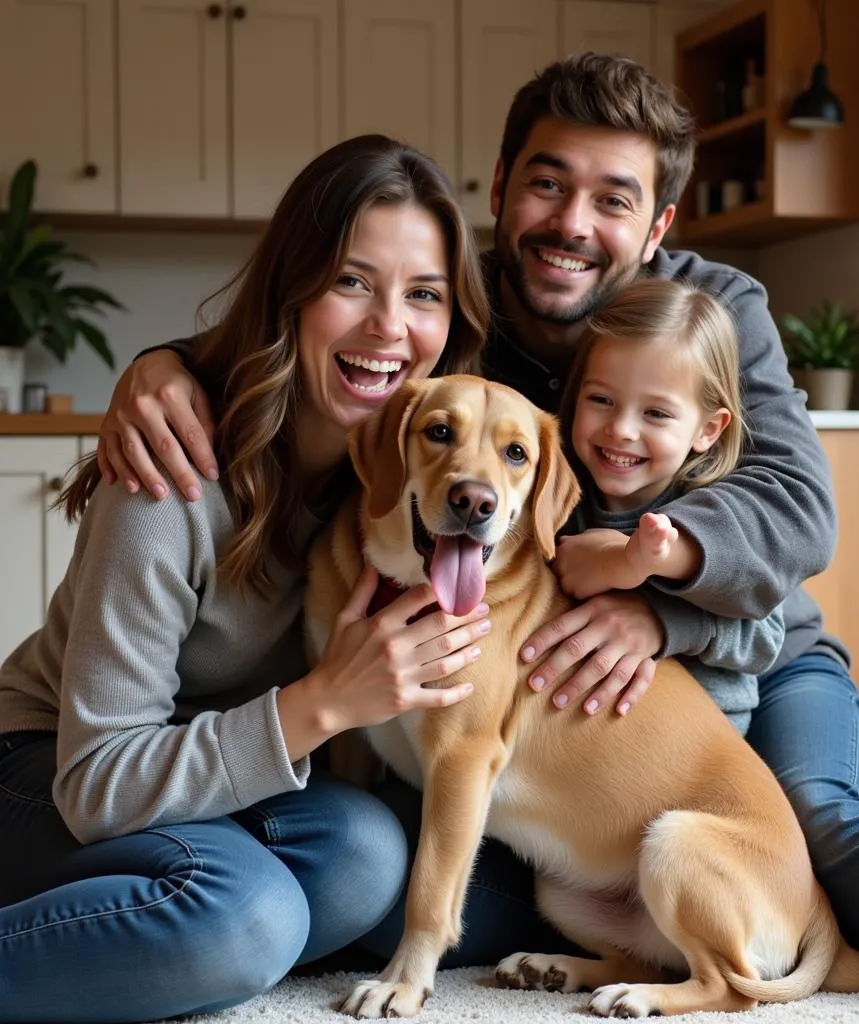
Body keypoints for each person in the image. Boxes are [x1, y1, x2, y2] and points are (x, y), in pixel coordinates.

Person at [86, 53, 859, 1016]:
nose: (573, 223)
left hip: (752, 642)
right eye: (547, 183)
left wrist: (654, 604)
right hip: (544, 678)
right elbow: (334, 338)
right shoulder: (451, 311)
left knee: (821, 826)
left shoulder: (713, 310)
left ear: (658, 226)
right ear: (501, 190)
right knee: (416, 871)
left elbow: (795, 502)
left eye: (613, 199)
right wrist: (166, 365)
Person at [0, 134, 496, 1024]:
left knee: (364, 859)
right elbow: (97, 781)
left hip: (203, 777)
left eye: (423, 295)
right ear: (291, 291)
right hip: (47, 770)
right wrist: (329, 702)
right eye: (351, 282)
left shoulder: (402, 475)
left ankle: (131, 933)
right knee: (244, 920)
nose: (390, 326)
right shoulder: (169, 477)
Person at [554, 277, 783, 734]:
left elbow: (765, 637)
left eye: (655, 413)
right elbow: (559, 566)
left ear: (708, 430)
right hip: (591, 734)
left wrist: (665, 613)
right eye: (601, 400)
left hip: (700, 740)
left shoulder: (712, 512)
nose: (620, 429)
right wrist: (616, 561)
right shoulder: (563, 493)